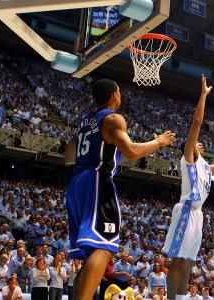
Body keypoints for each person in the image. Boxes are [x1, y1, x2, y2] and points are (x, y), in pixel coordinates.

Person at [64, 79, 175, 300]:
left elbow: (69, 157)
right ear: (115, 95)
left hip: (77, 182)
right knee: (105, 248)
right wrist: (159, 142)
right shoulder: (113, 118)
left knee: (93, 256)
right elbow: (132, 151)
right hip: (97, 180)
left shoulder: (86, 121)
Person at [162, 75, 214, 300]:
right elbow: (197, 123)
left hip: (198, 215)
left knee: (189, 260)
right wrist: (203, 95)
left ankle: (181, 297)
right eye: (196, 142)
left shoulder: (205, 166)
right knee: (178, 260)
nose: (200, 143)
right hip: (186, 210)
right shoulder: (189, 157)